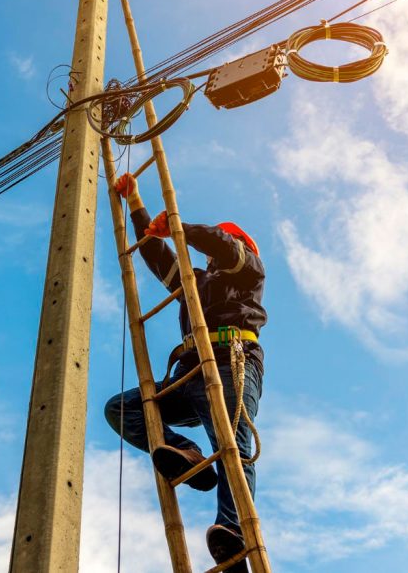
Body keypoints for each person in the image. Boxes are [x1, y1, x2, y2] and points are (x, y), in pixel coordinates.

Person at [104, 171, 267, 572]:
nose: (211, 254)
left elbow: (222, 244)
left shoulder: (248, 271)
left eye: (219, 245)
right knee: (123, 409)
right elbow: (159, 257)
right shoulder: (198, 284)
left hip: (232, 360)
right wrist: (137, 204)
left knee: (233, 444)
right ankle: (190, 454)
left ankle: (234, 532)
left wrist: (181, 227)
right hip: (191, 370)